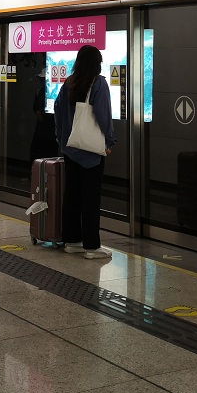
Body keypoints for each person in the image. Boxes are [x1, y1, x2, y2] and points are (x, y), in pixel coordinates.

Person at [54, 44, 115, 259]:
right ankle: (91, 245)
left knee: (72, 194)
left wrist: (61, 140)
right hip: (90, 152)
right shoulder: (98, 84)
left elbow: (58, 112)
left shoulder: (69, 83)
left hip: (70, 150)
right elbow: (103, 115)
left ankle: (72, 240)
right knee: (91, 197)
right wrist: (109, 141)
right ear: (96, 63)